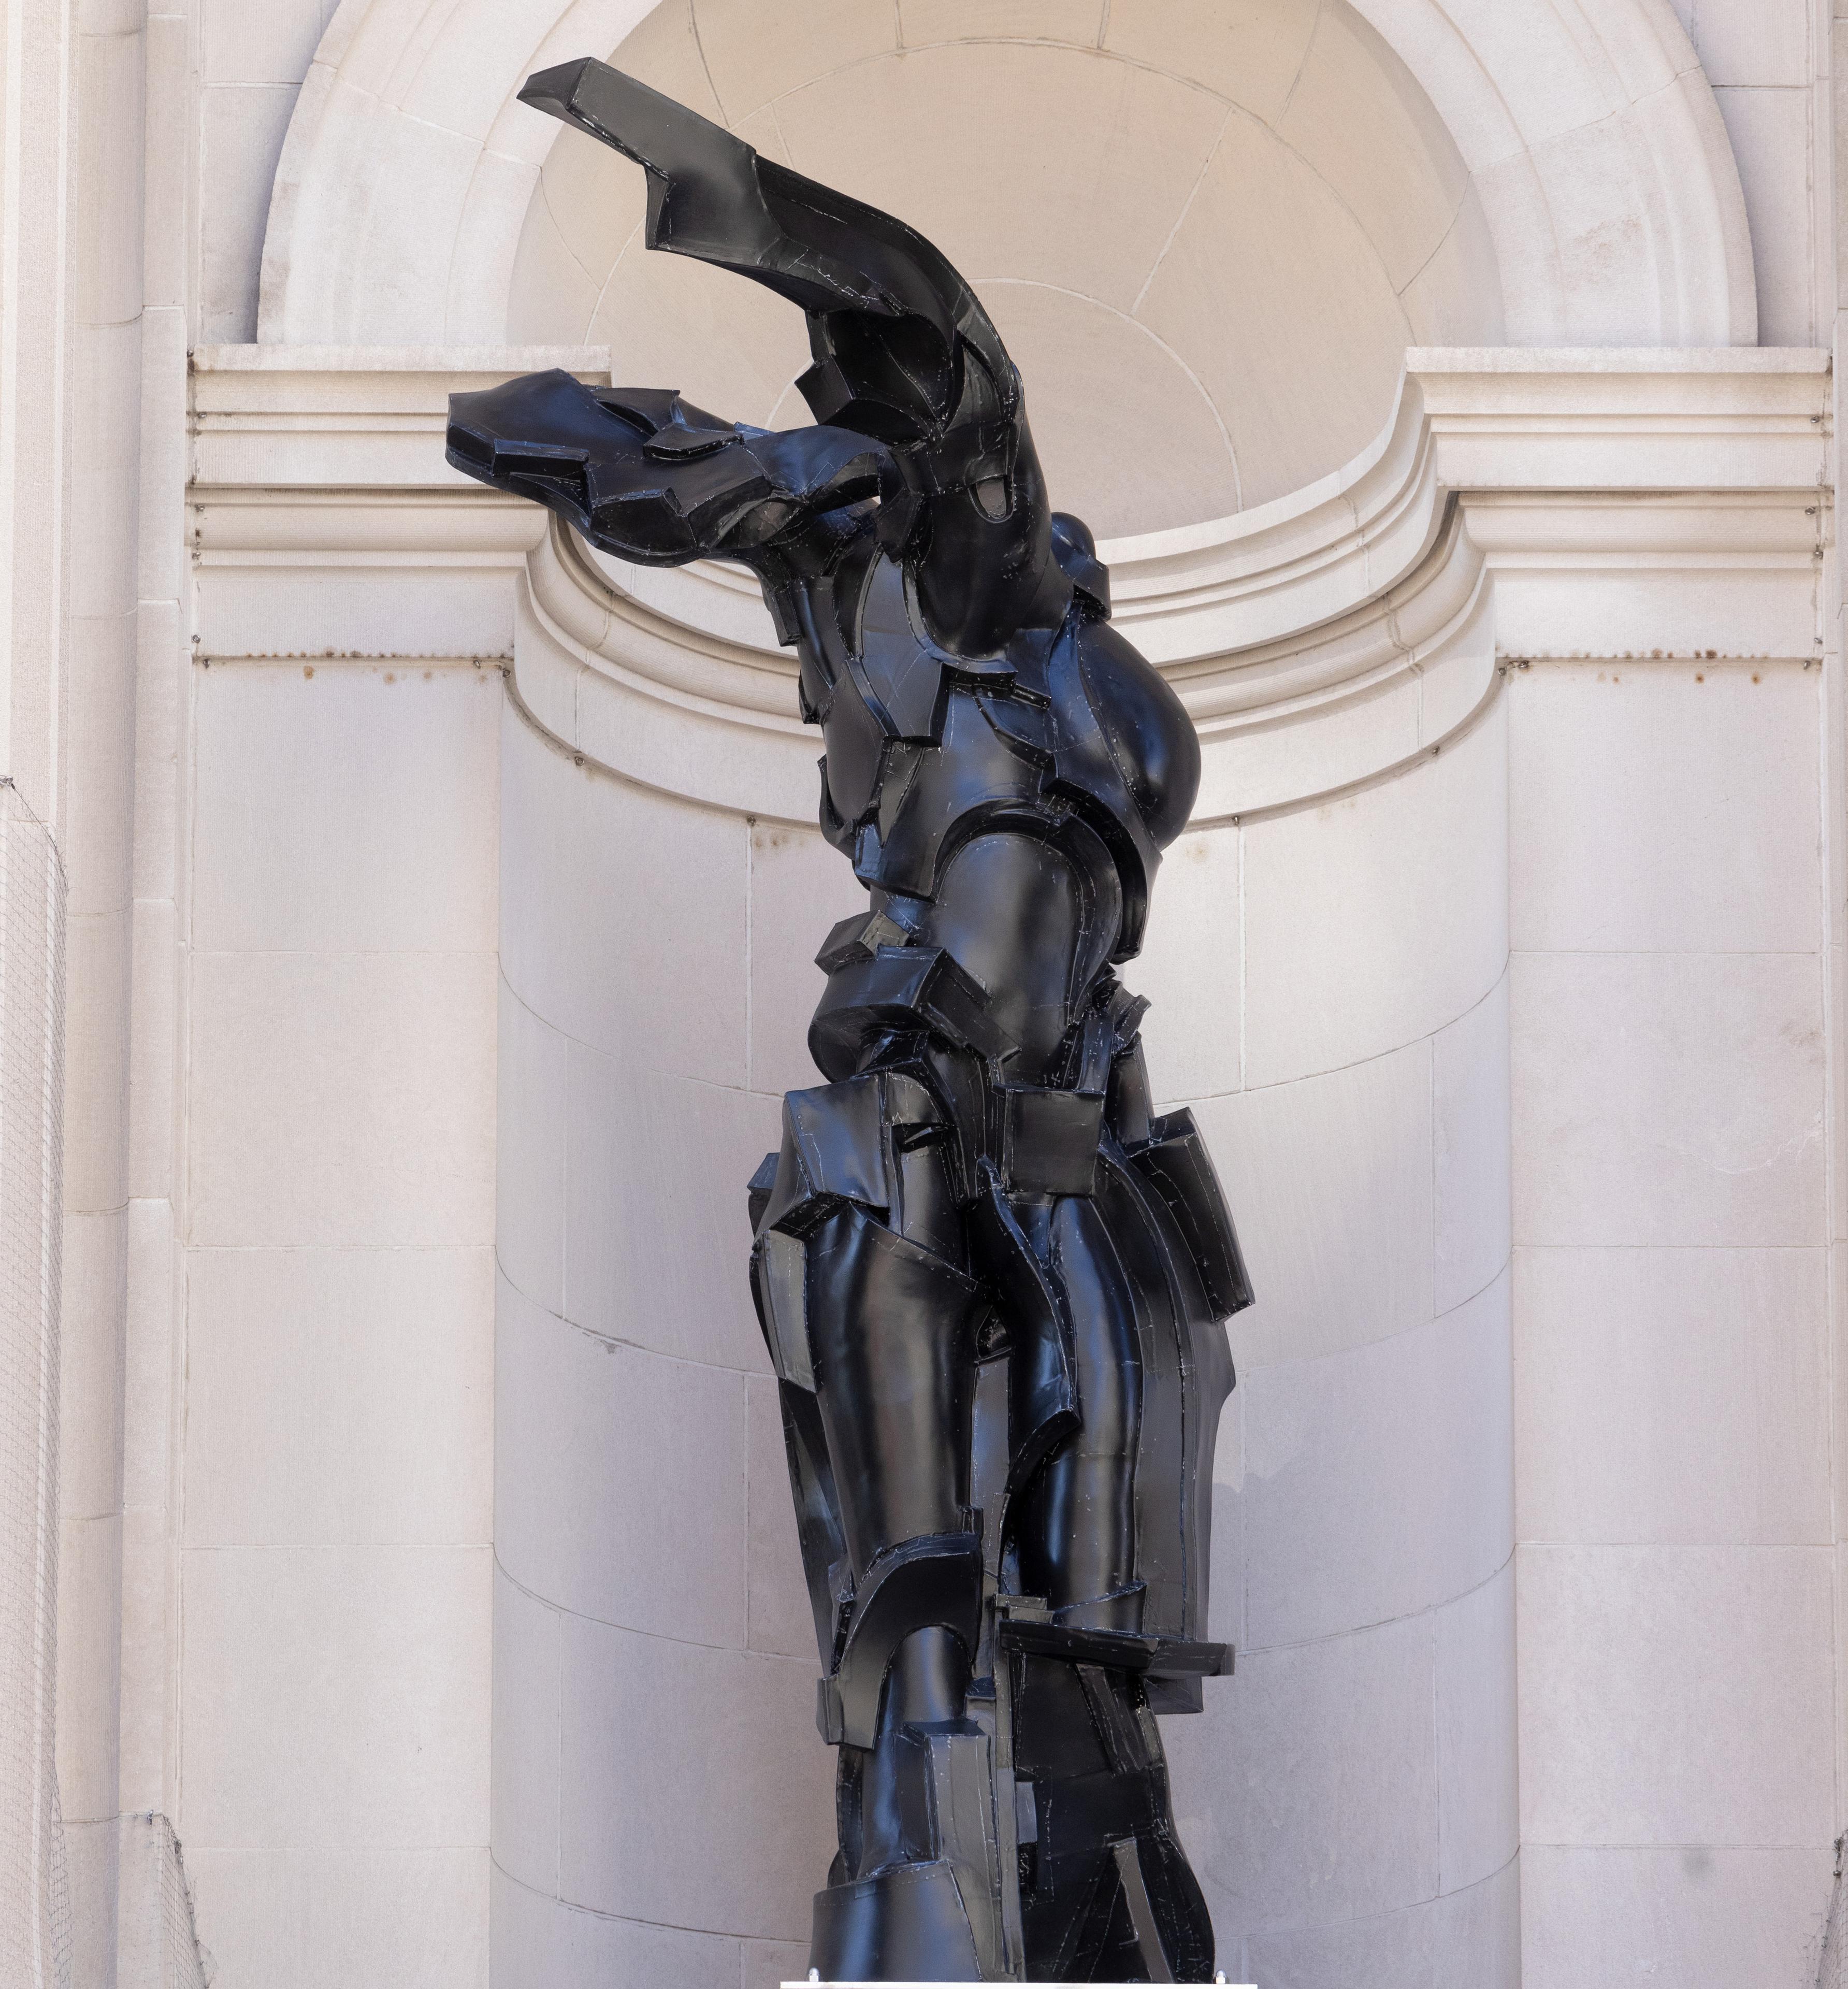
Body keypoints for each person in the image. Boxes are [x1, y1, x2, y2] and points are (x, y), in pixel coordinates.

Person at [447, 59, 1253, 1983]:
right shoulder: (1015, 673)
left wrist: (720, 190)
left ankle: (1025, 1906)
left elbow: (936, 364)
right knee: (934, 1595)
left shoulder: (1011, 636)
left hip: (1002, 1154)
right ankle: (932, 1898)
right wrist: (583, 435)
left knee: (1052, 1624)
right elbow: (673, 460)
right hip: (961, 1146)